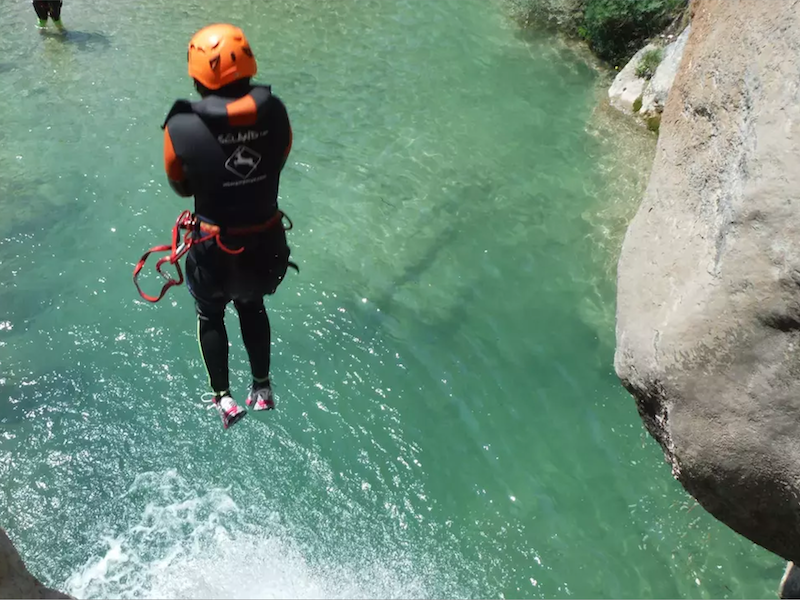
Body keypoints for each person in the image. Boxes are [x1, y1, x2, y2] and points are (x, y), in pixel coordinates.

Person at [162, 23, 294, 430]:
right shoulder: (276, 113)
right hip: (264, 249)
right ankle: (263, 387)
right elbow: (279, 157)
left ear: (197, 75)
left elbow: (180, 186)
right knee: (252, 306)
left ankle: (224, 399)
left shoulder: (180, 127)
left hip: (213, 254)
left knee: (210, 316)